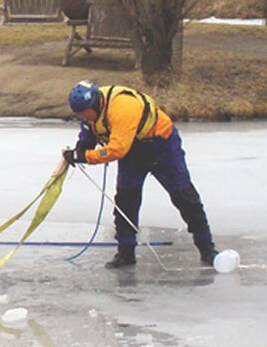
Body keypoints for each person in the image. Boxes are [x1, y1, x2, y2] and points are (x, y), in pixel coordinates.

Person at [62, 80, 218, 269]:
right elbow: (89, 130)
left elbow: (117, 150)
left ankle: (207, 250)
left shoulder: (123, 109)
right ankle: (125, 253)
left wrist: (85, 157)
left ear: (94, 104)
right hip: (133, 154)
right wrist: (82, 147)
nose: (82, 117)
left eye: (83, 114)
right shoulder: (90, 110)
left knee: (185, 198)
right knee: (125, 201)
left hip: (162, 147)